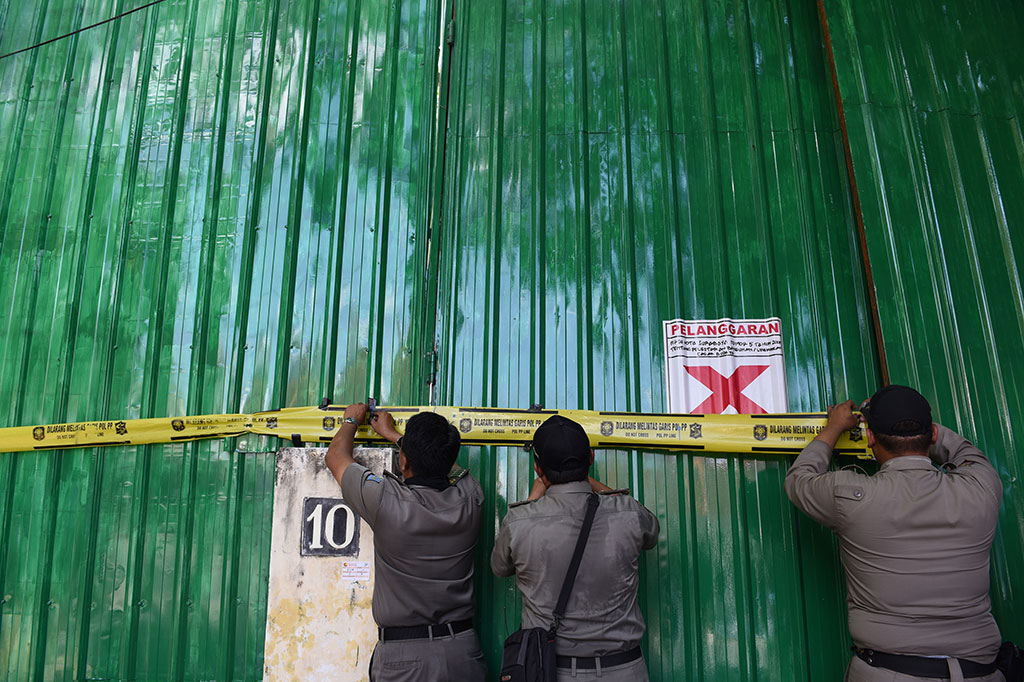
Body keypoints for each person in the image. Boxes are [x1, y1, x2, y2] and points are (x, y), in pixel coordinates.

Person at [784, 385, 1004, 682]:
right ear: (933, 434)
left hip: (890, 673)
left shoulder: (850, 496)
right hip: (981, 673)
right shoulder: (982, 487)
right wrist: (916, 422)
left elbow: (800, 478)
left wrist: (835, 426)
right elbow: (964, 452)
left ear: (871, 437)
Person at [325, 403, 487, 681]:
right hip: (463, 654)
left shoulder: (384, 500)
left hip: (404, 660)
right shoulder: (471, 497)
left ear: (404, 461)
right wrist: (400, 440)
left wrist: (352, 419)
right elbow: (449, 466)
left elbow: (336, 457)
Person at [491, 414, 660, 681]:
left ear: (538, 469)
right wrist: (588, 482)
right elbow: (652, 533)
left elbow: (500, 568)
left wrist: (532, 501)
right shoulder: (629, 513)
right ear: (590, 458)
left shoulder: (519, 522)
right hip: (626, 670)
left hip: (552, 673)